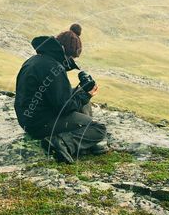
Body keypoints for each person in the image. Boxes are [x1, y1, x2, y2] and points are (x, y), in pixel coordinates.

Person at [14, 23, 108, 163]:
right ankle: (62, 143)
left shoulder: (35, 61)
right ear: (65, 51)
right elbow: (64, 108)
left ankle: (84, 138)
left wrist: (81, 92)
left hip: (29, 120)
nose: (71, 61)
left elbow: (55, 98)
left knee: (79, 97)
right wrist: (86, 95)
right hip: (41, 124)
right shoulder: (54, 68)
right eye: (71, 57)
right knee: (99, 129)